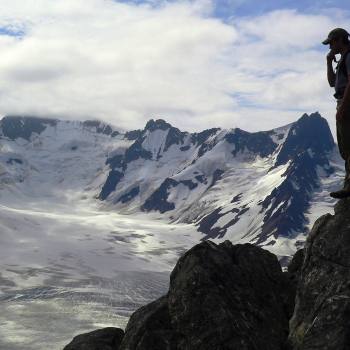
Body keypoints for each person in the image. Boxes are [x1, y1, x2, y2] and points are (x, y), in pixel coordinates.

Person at [323, 28, 350, 198]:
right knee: (345, 146)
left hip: (347, 103)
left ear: (340, 40)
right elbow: (332, 83)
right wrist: (328, 63)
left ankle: (349, 187)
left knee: (349, 144)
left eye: (331, 42)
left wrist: (343, 107)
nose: (330, 46)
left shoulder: (349, 57)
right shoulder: (342, 59)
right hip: (342, 101)